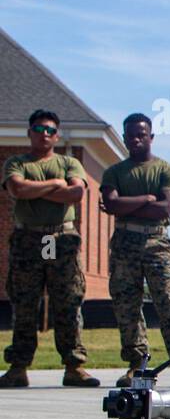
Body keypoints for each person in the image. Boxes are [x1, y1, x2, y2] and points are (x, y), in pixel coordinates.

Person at [0, 109, 99, 388]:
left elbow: (76, 193)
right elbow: (17, 189)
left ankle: (73, 366)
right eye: (39, 129)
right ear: (29, 132)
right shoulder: (17, 163)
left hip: (58, 241)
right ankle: (18, 368)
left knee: (66, 303)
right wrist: (56, 185)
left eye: (50, 130)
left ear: (57, 135)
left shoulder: (69, 162)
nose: (45, 134)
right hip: (29, 240)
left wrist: (41, 189)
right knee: (25, 304)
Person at [100, 113, 170, 387]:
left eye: (141, 134)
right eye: (130, 135)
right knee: (126, 304)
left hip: (156, 243)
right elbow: (112, 205)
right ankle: (136, 363)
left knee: (167, 301)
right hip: (124, 244)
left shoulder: (167, 170)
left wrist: (127, 203)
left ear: (151, 137)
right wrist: (145, 199)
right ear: (124, 137)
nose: (135, 139)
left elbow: (164, 208)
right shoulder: (114, 172)